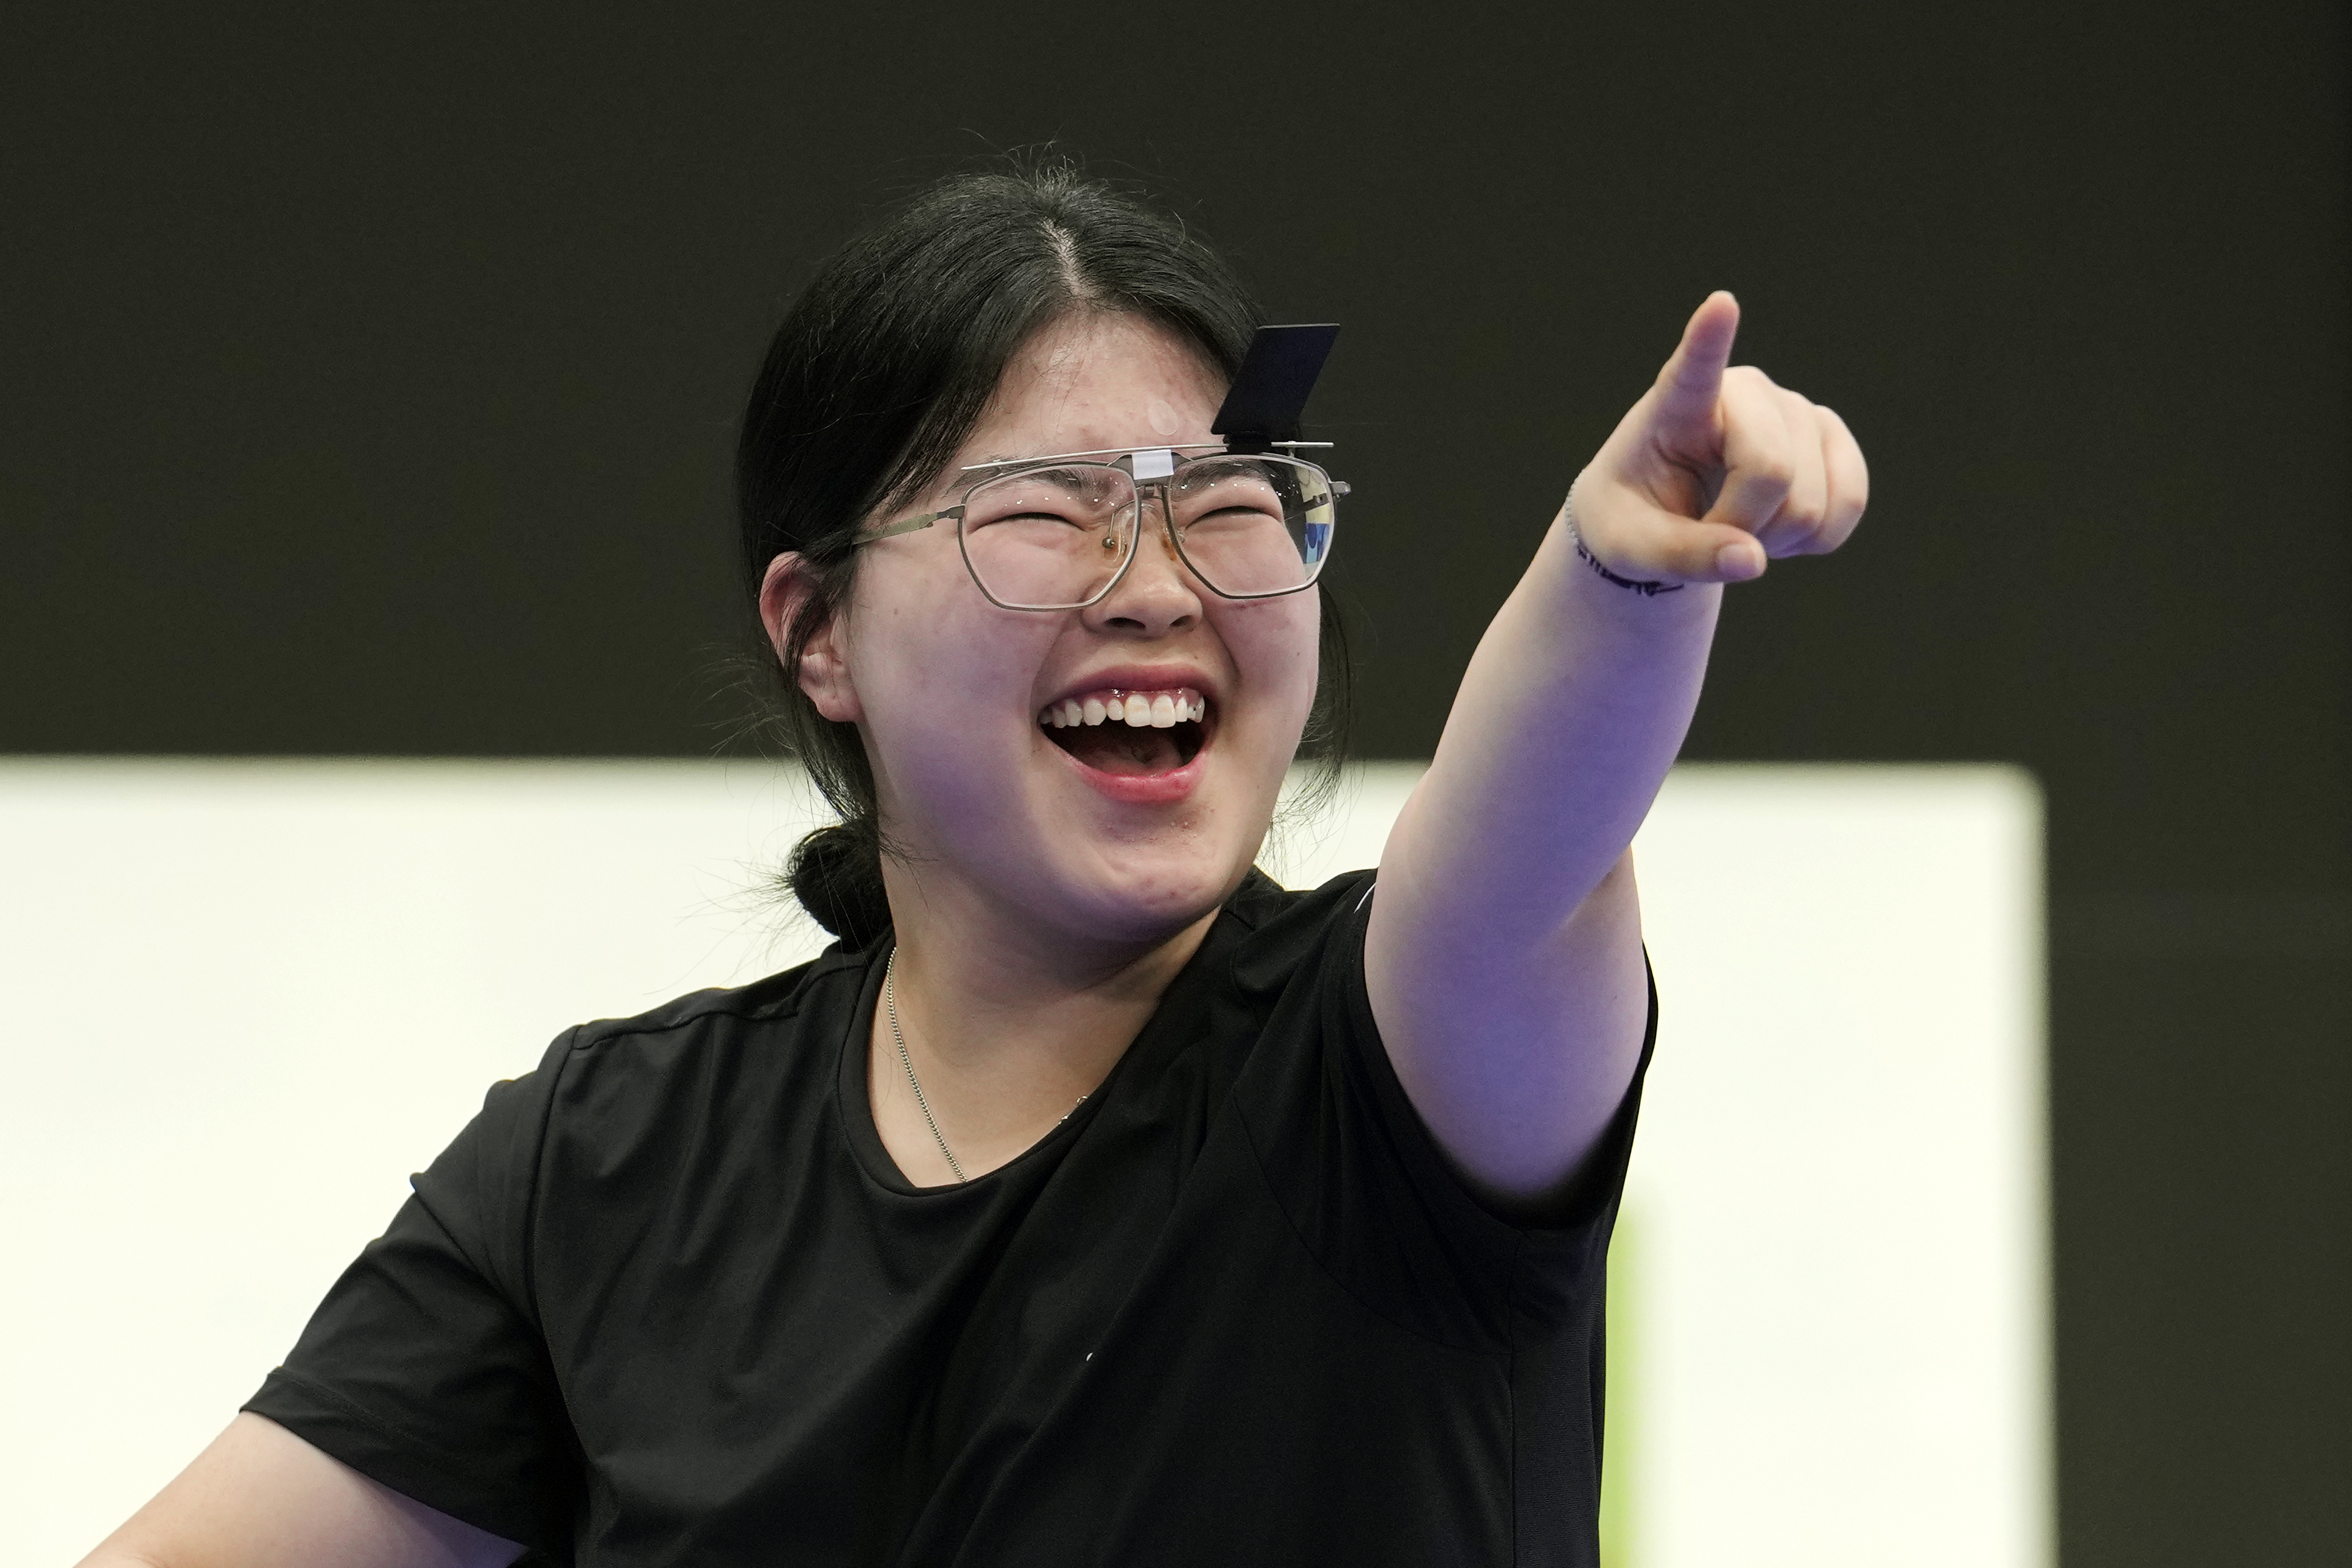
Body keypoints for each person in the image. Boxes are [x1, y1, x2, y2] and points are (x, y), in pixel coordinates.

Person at [79, 163, 1866, 1568]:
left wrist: (1627, 574)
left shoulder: (1392, 1070)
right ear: (820, 633)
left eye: (1230, 502)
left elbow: (1527, 851)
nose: (1158, 583)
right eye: (1044, 513)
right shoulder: (611, 1163)